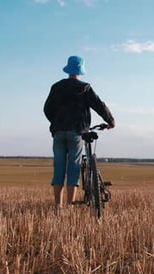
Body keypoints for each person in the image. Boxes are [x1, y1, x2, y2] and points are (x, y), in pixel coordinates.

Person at [44, 55, 115, 213]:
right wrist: (110, 121)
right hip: (77, 131)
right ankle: (69, 206)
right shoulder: (85, 87)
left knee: (59, 167)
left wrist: (56, 122)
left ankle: (58, 206)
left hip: (58, 132)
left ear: (68, 69)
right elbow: (99, 105)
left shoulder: (56, 87)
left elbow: (47, 109)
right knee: (74, 166)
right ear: (80, 71)